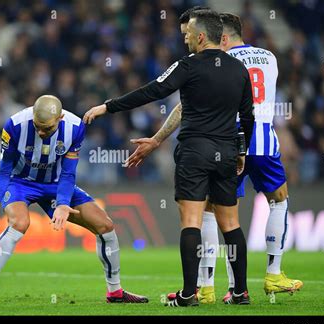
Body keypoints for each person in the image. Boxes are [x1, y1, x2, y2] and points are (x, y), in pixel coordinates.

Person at [126, 12, 303, 304]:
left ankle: (205, 286)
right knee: (278, 200)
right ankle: (272, 274)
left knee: (208, 212)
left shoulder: (220, 64)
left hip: (226, 140)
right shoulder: (269, 57)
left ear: (220, 37)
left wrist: (158, 139)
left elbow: (185, 108)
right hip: (262, 139)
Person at [84, 10, 254, 306]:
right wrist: (242, 151)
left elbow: (153, 91)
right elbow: (247, 116)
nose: (185, 39)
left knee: (191, 221)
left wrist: (108, 107)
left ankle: (189, 293)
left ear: (201, 36)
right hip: (227, 152)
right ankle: (240, 292)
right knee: (231, 224)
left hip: (195, 151)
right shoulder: (239, 69)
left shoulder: (188, 66)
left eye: (188, 35)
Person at [0, 95, 148, 305]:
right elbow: (4, 169)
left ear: (60, 118)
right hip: (20, 182)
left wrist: (63, 204)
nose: (40, 132)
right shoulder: (15, 125)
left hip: (56, 184)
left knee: (106, 226)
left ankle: (115, 292)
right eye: (37, 126)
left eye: (46, 129)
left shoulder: (75, 127)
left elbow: (68, 173)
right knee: (19, 223)